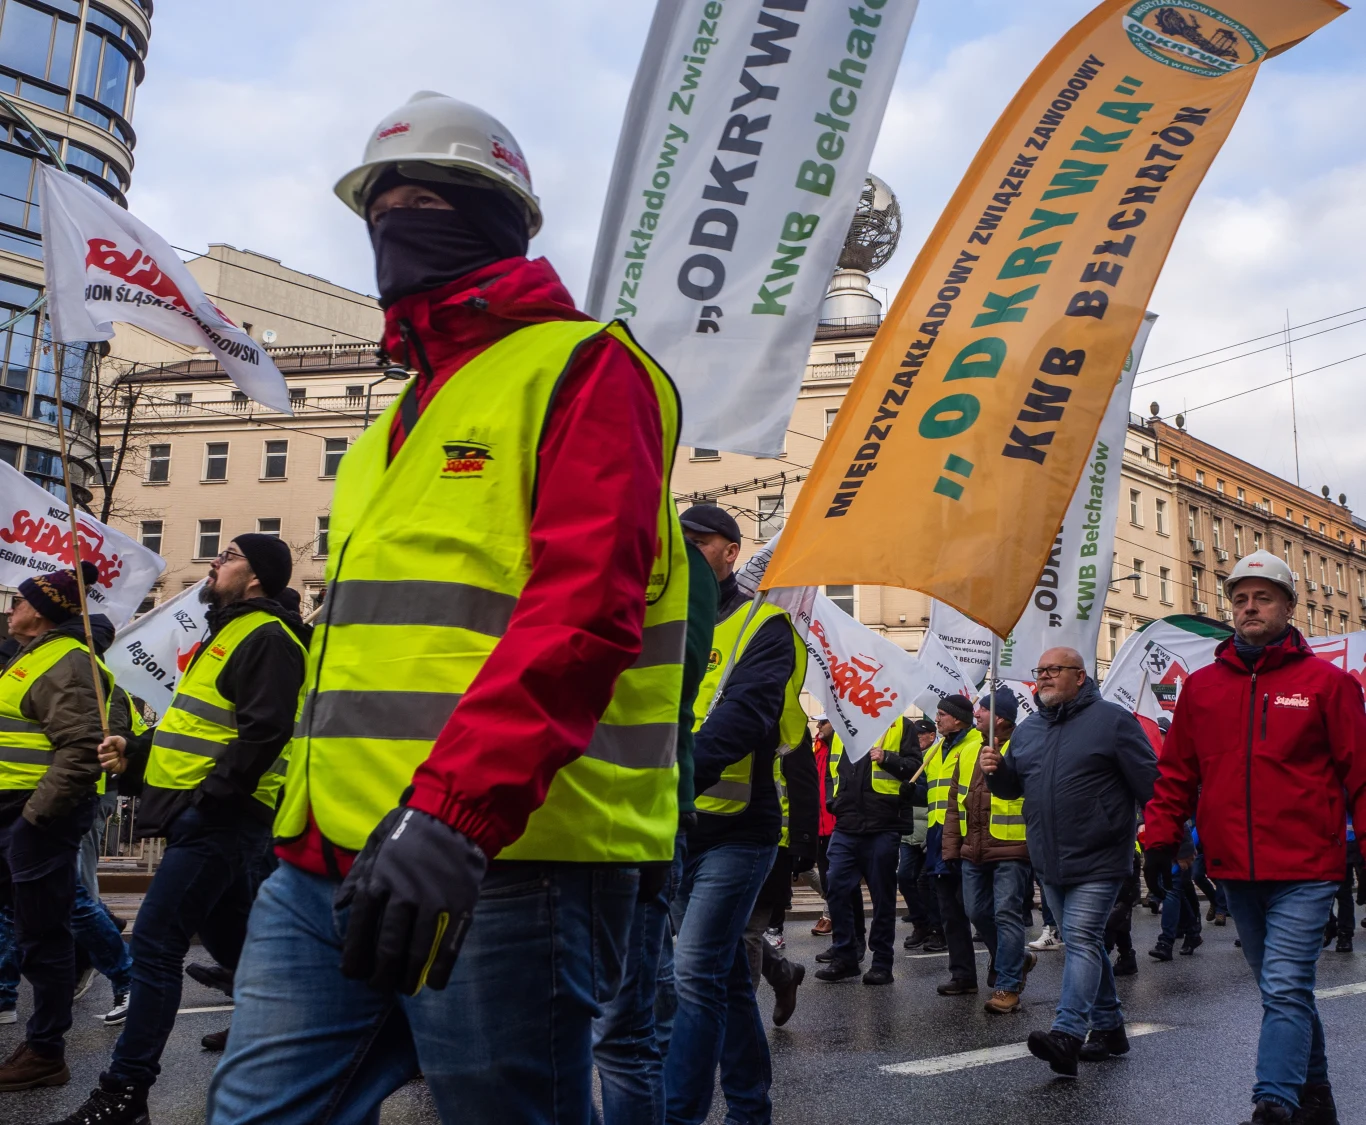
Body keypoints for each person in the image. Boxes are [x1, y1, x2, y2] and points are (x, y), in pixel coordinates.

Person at [205, 93, 688, 1125]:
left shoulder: (585, 367)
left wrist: (454, 815)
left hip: (507, 854)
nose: (395, 224)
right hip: (326, 850)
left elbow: (580, 616)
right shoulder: (394, 421)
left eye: (424, 200)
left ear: (497, 217)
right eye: (379, 208)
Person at [50, 536, 306, 1125]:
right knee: (242, 946)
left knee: (157, 945)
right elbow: (191, 731)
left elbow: (264, 734)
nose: (217, 560)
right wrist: (135, 753)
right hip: (211, 818)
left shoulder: (268, 636)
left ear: (258, 578)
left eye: (232, 554)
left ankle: (124, 1093)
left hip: (220, 821)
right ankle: (304, 1045)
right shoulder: (230, 632)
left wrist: (205, 801)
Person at [1144, 550, 1366, 1125]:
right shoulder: (1202, 688)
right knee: (1281, 991)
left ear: (1290, 607)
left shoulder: (1328, 684)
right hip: (1234, 869)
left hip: (1307, 866)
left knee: (1287, 986)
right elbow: (1176, 772)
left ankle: (1275, 1101)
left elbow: (1360, 772)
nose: (1248, 607)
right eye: (1240, 598)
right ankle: (1315, 1095)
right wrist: (1160, 839)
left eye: (1262, 597)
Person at [665, 503, 806, 1125]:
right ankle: (751, 1108)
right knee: (718, 977)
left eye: (702, 542)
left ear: (731, 550)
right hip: (666, 828)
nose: (688, 550)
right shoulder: (659, 620)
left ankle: (679, 1115)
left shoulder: (764, 625)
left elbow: (746, 718)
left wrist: (670, 780)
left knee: (691, 973)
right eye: (681, 541)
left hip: (736, 832)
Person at [981, 646, 1156, 1076]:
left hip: (1100, 854)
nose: (1042, 677)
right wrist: (997, 770)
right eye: (1039, 670)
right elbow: (1011, 788)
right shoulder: (1029, 728)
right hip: (1047, 856)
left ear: (1080, 676)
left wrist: (1171, 843)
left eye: (1053, 670)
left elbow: (1151, 782)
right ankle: (1111, 1028)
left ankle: (1067, 1034)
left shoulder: (1113, 721)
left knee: (1078, 939)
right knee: (1089, 944)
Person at [594, 538, 716, 1125]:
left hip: (638, 813)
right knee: (636, 1005)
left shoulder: (675, 562)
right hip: (566, 814)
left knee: (627, 1023)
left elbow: (676, 692)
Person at [0, 565, 119, 1091]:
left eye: (19, 601)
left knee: (42, 934)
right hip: (17, 814)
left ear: (41, 611)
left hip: (34, 817)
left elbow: (80, 751)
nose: (10, 609)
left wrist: (33, 820)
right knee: (29, 929)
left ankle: (46, 1050)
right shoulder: (35, 657)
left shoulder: (67, 662)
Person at [945, 687, 1036, 1015]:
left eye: (981, 710)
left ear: (998, 717)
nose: (976, 715)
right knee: (976, 911)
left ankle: (1008, 984)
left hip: (1012, 846)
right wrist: (952, 848)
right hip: (975, 849)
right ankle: (1018, 959)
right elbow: (956, 803)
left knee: (1005, 913)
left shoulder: (1023, 747)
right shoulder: (970, 750)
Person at [816, 715, 922, 986]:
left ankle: (882, 962)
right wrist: (833, 801)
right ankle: (846, 956)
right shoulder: (842, 723)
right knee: (836, 887)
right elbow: (832, 771)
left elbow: (915, 769)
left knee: (882, 897)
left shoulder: (900, 724)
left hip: (883, 824)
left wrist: (887, 757)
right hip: (847, 823)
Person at [753, 730, 818, 1026]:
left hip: (770, 841)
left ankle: (741, 1025)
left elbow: (804, 784)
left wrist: (804, 842)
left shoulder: (787, 718)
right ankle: (784, 974)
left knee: (745, 933)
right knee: (728, 931)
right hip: (706, 834)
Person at [925, 695, 981, 996]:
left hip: (966, 839)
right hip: (939, 840)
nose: (938, 719)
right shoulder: (938, 748)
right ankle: (963, 976)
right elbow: (932, 793)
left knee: (977, 909)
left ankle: (1007, 966)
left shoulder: (975, 745)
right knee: (950, 913)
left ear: (957, 718)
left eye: (942, 715)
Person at [899, 717, 940, 950]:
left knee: (928, 883)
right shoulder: (909, 759)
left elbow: (930, 793)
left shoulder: (934, 758)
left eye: (919, 736)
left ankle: (937, 929)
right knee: (904, 878)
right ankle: (920, 924)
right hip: (909, 831)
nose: (915, 740)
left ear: (931, 736)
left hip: (928, 831)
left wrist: (913, 791)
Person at [805, 717, 837, 937]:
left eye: (823, 722)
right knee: (824, 875)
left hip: (837, 824)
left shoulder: (841, 747)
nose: (818, 726)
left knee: (835, 876)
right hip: (818, 825)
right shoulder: (816, 748)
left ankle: (830, 916)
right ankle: (832, 911)